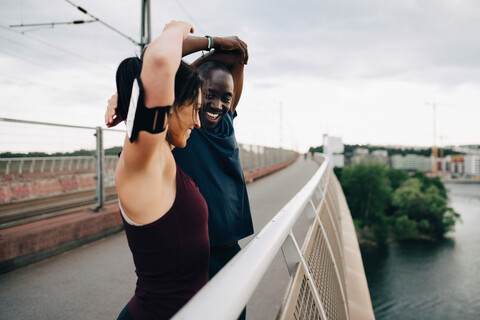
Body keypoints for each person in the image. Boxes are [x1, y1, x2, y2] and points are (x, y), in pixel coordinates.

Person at [106, 35, 253, 320]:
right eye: (204, 97)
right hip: (198, 253)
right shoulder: (178, 136)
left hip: (229, 249)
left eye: (224, 97)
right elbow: (158, 64)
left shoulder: (223, 123)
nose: (212, 107)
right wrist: (205, 54)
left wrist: (194, 74)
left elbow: (235, 59)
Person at [114, 21, 209, 320]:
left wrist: (210, 42)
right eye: (194, 108)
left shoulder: (164, 156)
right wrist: (176, 29)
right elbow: (157, 61)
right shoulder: (143, 161)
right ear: (168, 106)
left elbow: (157, 67)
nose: (198, 122)